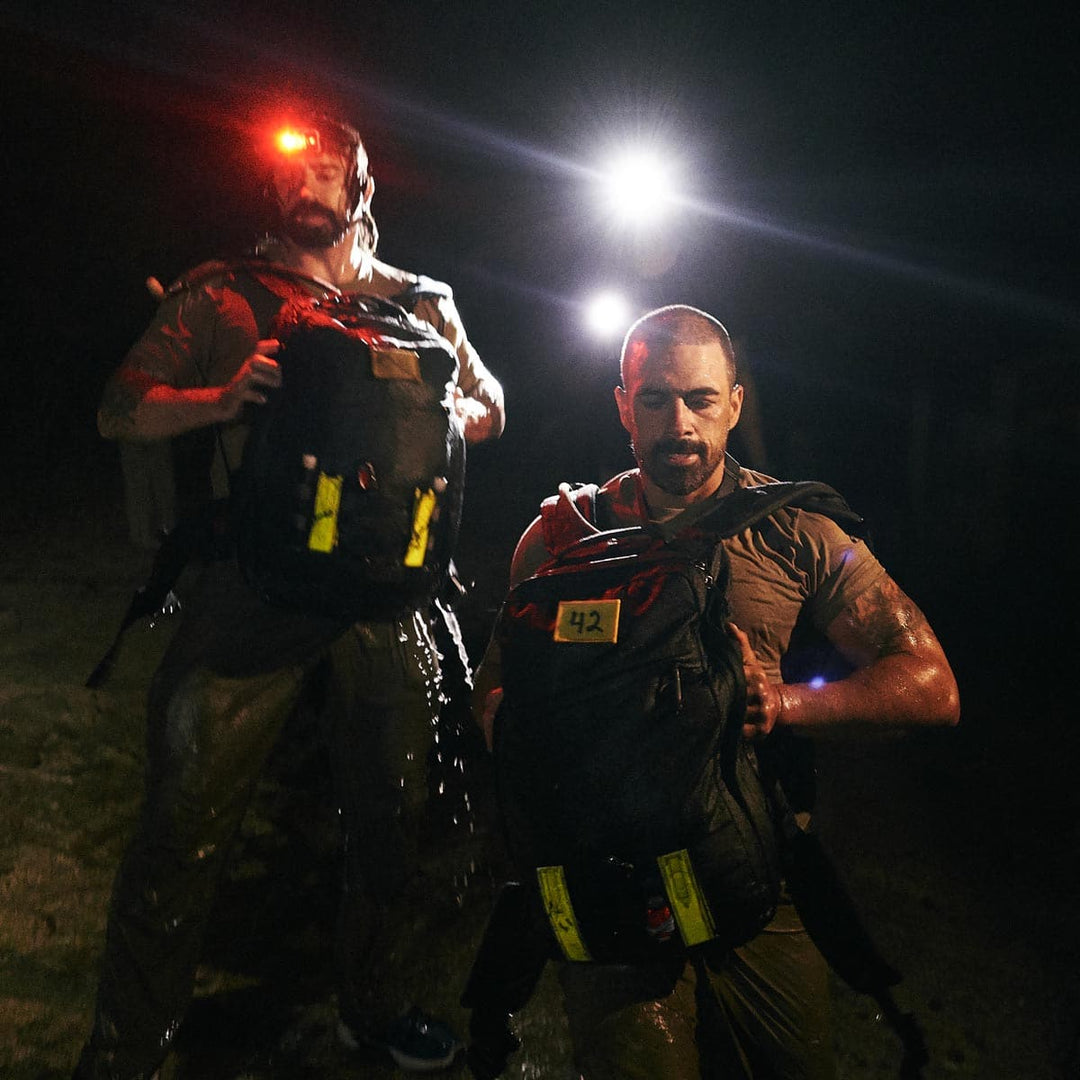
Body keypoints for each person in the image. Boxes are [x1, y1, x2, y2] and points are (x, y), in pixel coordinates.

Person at [74, 111, 504, 1080]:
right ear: (270, 192)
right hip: (249, 591)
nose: (309, 182)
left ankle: (376, 1005)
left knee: (395, 822)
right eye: (290, 169)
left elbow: (492, 409)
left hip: (388, 602)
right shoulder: (219, 295)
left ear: (363, 186)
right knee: (179, 829)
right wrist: (223, 398)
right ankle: (128, 1051)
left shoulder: (422, 303)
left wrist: (429, 405)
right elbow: (119, 408)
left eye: (329, 167)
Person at [472, 304, 958, 1079]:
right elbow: (496, 681)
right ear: (623, 403)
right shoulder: (561, 538)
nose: (680, 424)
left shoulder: (796, 532)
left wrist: (787, 703)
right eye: (655, 398)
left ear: (734, 404)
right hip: (605, 882)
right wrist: (521, 733)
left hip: (756, 876)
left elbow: (931, 685)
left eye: (701, 399)